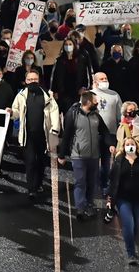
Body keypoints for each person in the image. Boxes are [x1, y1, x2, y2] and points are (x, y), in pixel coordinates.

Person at [57, 91, 115, 219]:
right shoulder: (73, 115)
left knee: (91, 182)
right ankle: (80, 208)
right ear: (88, 102)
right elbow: (66, 136)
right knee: (80, 182)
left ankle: (89, 204)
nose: (97, 102)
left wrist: (110, 144)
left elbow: (104, 132)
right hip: (78, 155)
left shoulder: (96, 116)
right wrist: (61, 155)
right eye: (95, 101)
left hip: (94, 155)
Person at [106, 137, 139, 265]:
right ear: (123, 147)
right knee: (128, 224)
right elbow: (112, 182)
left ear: (136, 146)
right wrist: (109, 199)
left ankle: (130, 239)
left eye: (132, 144)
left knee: (135, 225)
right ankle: (131, 253)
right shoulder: (119, 161)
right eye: (127, 144)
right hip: (123, 199)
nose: (130, 146)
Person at [11, 70, 61, 199]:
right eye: (30, 79)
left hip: (43, 135)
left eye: (35, 79)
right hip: (28, 136)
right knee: (30, 161)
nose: (32, 81)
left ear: (38, 80)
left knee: (41, 162)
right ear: (25, 81)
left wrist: (54, 131)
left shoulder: (47, 95)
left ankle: (38, 184)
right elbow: (16, 111)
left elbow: (54, 112)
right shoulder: (21, 95)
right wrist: (11, 112)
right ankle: (31, 188)